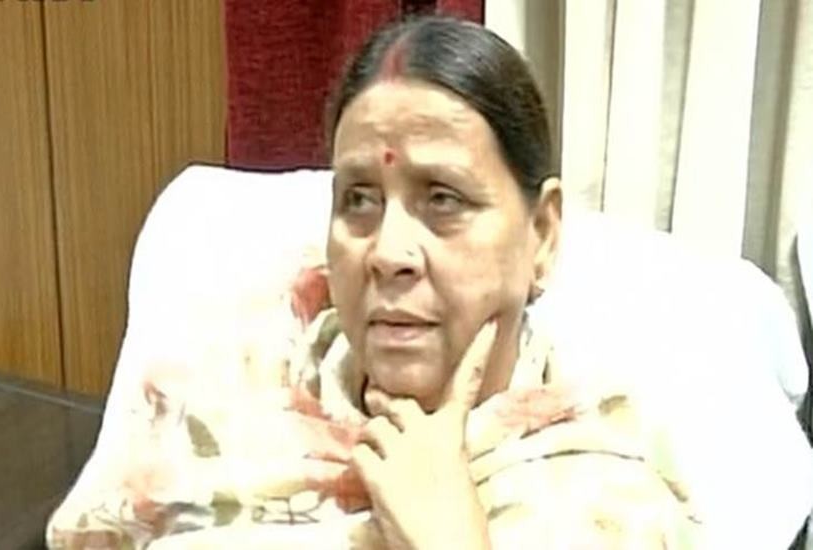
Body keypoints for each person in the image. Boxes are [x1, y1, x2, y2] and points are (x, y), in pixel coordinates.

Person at [46, 15, 699, 549]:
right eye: (358, 199)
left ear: (543, 235)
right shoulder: (229, 380)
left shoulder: (605, 494)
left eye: (442, 198)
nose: (388, 254)